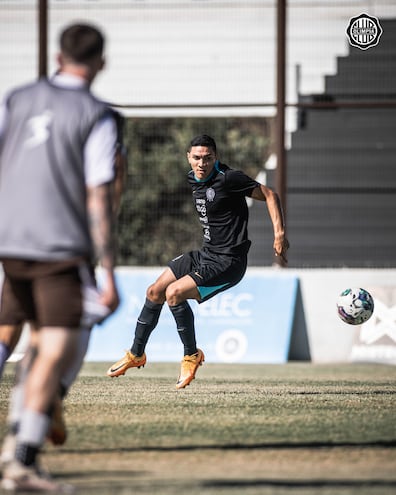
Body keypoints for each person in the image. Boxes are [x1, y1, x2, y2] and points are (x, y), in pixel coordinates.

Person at [0, 23, 119, 492]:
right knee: (57, 348)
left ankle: (18, 446)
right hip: (58, 247)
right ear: (101, 63)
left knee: (26, 341)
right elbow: (97, 196)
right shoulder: (97, 115)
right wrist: (107, 271)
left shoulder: (17, 98)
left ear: (57, 55)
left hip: (11, 242)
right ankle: (21, 457)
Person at [107, 134, 289, 389]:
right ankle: (136, 355)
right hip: (206, 254)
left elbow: (270, 195)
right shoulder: (193, 178)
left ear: (216, 158)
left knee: (174, 294)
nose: (202, 163)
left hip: (228, 263)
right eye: (197, 158)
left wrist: (279, 235)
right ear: (188, 158)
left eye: (208, 158)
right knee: (154, 291)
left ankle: (192, 355)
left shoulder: (229, 178)